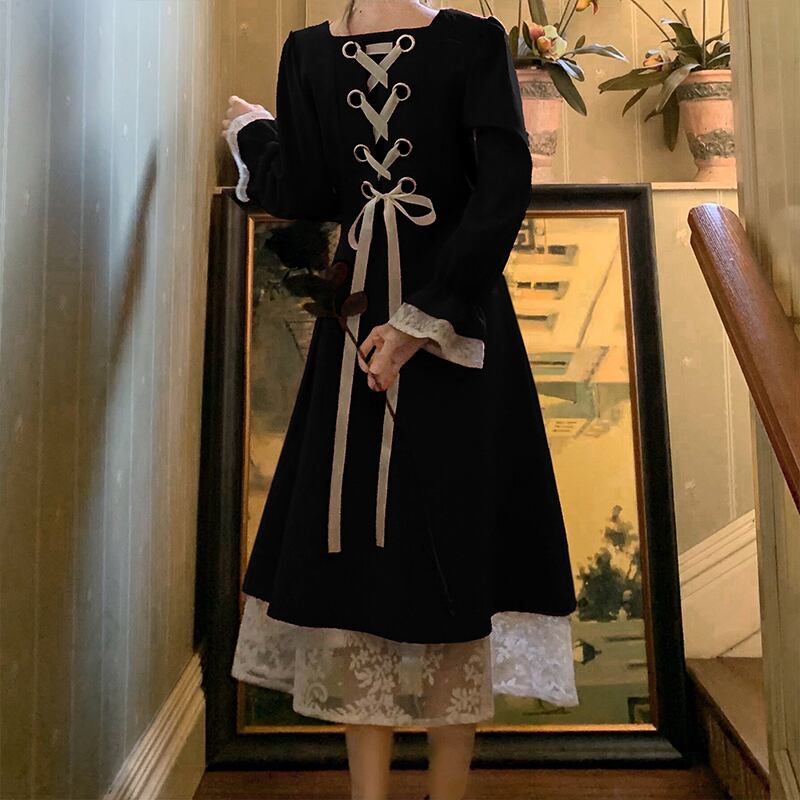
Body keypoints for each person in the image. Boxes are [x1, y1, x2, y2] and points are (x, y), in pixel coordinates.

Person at [221, 2, 579, 798]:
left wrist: (425, 319)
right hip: (360, 325)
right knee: (360, 555)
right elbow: (311, 186)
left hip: (456, 329)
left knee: (454, 542)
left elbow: (502, 186)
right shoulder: (309, 53)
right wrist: (257, 135)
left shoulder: (471, 41)